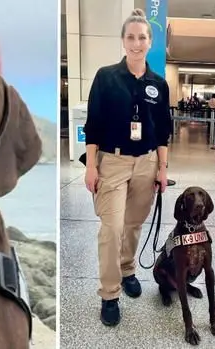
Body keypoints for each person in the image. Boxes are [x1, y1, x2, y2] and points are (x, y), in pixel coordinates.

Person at [82, 8, 171, 327]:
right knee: (112, 228)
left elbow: (163, 130)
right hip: (113, 161)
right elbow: (93, 125)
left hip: (147, 162)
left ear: (150, 42)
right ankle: (109, 294)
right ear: (123, 41)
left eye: (142, 37)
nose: (137, 43)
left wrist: (162, 169)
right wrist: (91, 166)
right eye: (131, 37)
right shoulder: (106, 77)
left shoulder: (158, 84)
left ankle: (128, 269)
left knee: (133, 225)